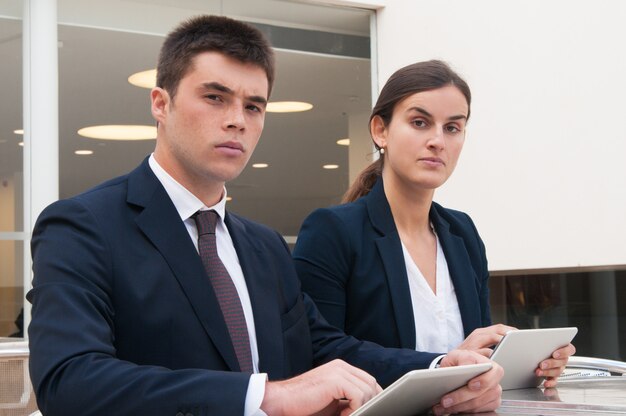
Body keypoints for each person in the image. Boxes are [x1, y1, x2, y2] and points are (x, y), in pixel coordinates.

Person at [27, 17, 503, 416]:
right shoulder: (83, 226)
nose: (238, 119)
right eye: (215, 97)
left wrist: (444, 367)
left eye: (253, 106)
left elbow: (326, 349)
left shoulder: (264, 247)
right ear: (161, 104)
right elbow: (69, 379)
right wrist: (265, 396)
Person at [293, 60, 575, 389]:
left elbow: (476, 358)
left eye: (452, 127)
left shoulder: (462, 233)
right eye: (419, 122)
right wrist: (438, 365)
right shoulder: (333, 231)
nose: (438, 140)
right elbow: (320, 351)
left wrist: (527, 365)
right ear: (380, 130)